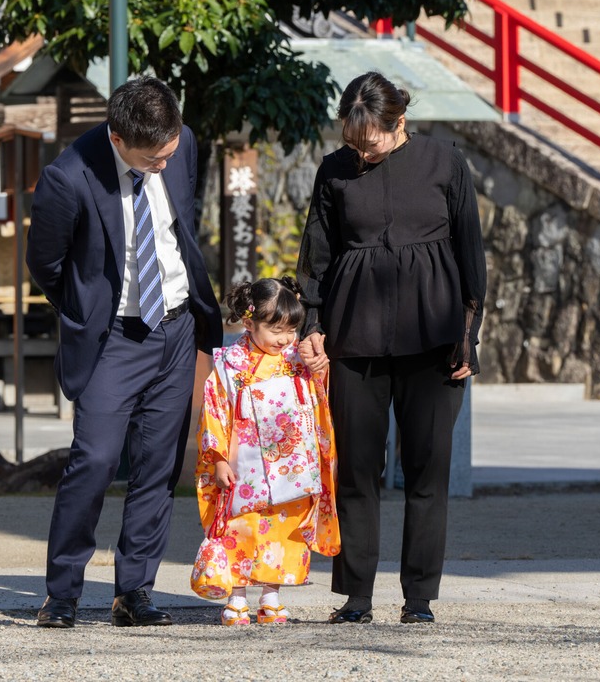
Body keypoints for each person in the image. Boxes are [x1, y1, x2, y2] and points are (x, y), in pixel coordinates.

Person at [26, 76, 223, 628]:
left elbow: (181, 224)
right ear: (117, 139)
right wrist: (87, 309)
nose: (164, 163)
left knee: (159, 467)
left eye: (170, 151)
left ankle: (133, 591)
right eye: (151, 157)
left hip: (178, 324)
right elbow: (45, 264)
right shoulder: (68, 177)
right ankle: (62, 593)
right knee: (93, 460)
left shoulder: (179, 145)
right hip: (113, 335)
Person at [296, 71, 487, 625]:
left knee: (427, 469)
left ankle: (419, 598)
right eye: (352, 140)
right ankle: (355, 597)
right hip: (354, 336)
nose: (360, 150)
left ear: (398, 121)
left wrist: (468, 337)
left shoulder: (446, 162)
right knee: (356, 469)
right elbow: (318, 253)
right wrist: (312, 322)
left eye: (370, 140)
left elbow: (470, 253)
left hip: (434, 337)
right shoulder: (335, 169)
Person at [192, 276, 339, 625]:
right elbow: (214, 409)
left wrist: (321, 368)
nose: (285, 338)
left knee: (282, 530)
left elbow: (318, 401)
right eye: (276, 330)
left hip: (291, 464)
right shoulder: (230, 363)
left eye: (291, 329)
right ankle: (237, 596)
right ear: (249, 322)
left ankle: (271, 595)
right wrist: (218, 458)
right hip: (245, 464)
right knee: (240, 528)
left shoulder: (297, 358)